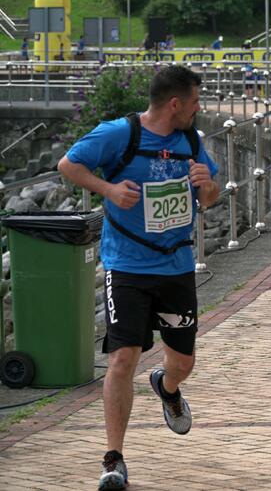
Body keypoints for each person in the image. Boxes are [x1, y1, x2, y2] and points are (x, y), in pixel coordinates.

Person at [57, 66, 220, 491]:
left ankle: (166, 388)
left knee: (182, 363)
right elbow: (68, 165)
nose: (199, 109)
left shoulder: (191, 141)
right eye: (196, 102)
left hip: (176, 268)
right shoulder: (118, 134)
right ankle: (113, 460)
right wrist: (108, 190)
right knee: (122, 358)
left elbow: (212, 195)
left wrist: (206, 185)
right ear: (175, 104)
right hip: (126, 265)